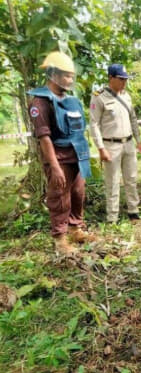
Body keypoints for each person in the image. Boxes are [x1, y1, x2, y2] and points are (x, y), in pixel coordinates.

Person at [27, 51, 93, 255]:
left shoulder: (72, 101)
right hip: (59, 158)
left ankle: (75, 229)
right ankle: (60, 238)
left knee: (77, 193)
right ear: (53, 74)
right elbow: (44, 137)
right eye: (66, 75)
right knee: (59, 197)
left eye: (72, 75)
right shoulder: (40, 102)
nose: (70, 80)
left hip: (77, 156)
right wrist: (54, 167)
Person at [89, 64, 141, 223]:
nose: (124, 83)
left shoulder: (126, 96)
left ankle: (133, 210)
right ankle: (112, 216)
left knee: (131, 178)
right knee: (112, 182)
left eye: (125, 79)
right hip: (110, 145)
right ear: (111, 78)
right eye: (121, 79)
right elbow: (94, 124)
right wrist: (100, 148)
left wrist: (138, 139)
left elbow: (133, 119)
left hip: (128, 143)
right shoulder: (99, 96)